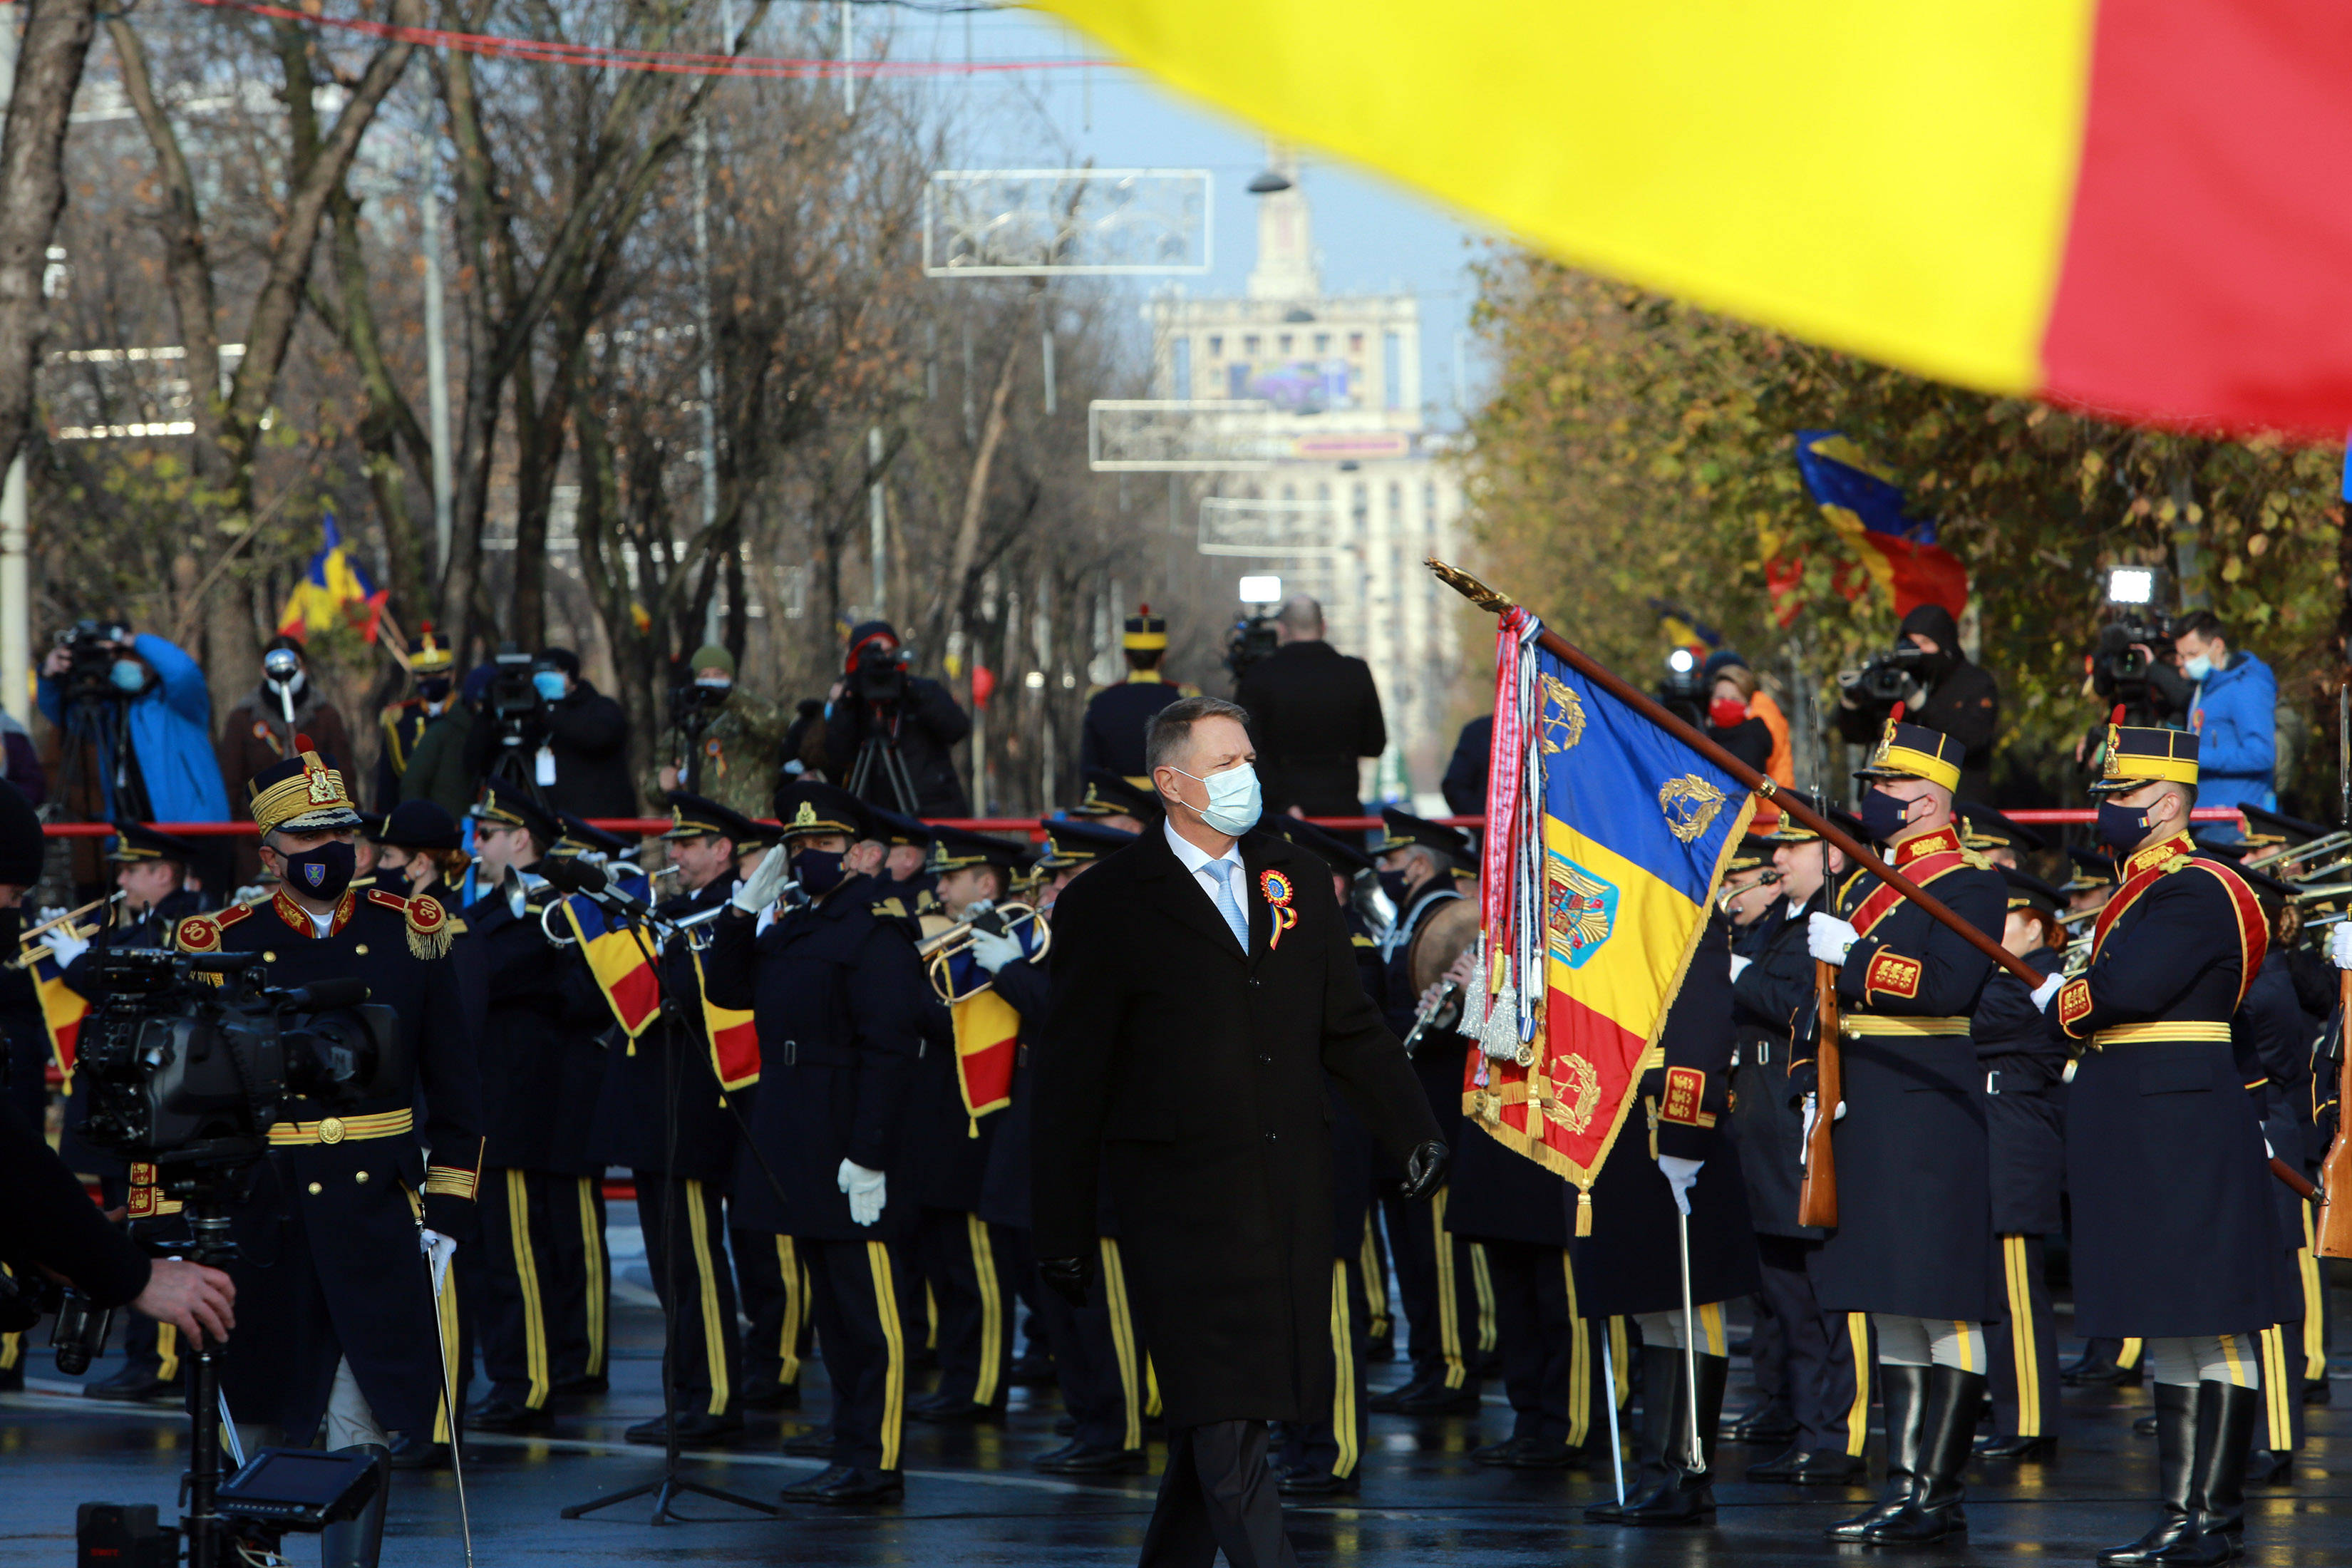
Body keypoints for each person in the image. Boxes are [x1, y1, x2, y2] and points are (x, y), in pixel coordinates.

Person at [1030, 694, 1445, 1568]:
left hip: (1285, 1196)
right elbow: (1071, 1079)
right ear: (1172, 783)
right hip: (1178, 1213)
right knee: (1226, 1431)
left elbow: (1350, 1025)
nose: (1246, 775)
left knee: (1222, 1428)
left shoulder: (1289, 877)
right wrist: (1061, 1227)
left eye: (1248, 757)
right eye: (1225, 764)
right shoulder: (1109, 901)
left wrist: (1412, 1130)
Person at [165, 749, 480, 1554]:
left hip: (375, 1211)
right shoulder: (220, 944)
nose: (330, 849)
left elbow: (462, 1091)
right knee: (265, 1407)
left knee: (362, 1411)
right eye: (308, 838)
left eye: (341, 831)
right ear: (270, 857)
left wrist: (447, 1208)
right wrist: (168, 1214)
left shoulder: (411, 934)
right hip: (265, 1211)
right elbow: (181, 1104)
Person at [2053, 726, 2279, 1566]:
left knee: (2210, 1319)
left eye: (2119, 797)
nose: (2105, 811)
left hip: (2183, 1122)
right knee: (2172, 1323)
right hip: (2143, 1123)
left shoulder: (2194, 888)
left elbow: (2127, 988)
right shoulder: (2138, 889)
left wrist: (2064, 999)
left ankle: (2214, 1515)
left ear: (2166, 803)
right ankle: (2181, 1506)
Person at [702, 779, 931, 1507]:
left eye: (823, 845)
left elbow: (891, 1049)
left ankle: (878, 1457)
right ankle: (849, 1447)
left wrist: (870, 1153)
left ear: (864, 853)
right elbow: (730, 990)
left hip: (848, 1136)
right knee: (834, 1316)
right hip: (795, 1133)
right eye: (797, 845)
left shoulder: (876, 929)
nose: (806, 857)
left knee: (869, 1316)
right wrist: (741, 912)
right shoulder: (796, 924)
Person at [1805, 720, 2004, 1544]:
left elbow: (1948, 985)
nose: (1872, 800)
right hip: (1871, 1101)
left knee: (1940, 1300)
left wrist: (1851, 960)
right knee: (1891, 1303)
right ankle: (1905, 1484)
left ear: (1926, 801)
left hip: (1928, 1104)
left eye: (1887, 789)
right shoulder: (1866, 883)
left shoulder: (1968, 882)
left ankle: (1939, 1489)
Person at [970, 816, 1145, 1475]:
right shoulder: (1066, 935)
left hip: (1099, 1149)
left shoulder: (1123, 935)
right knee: (1061, 1300)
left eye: (1066, 875)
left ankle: (1121, 1427)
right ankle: (1088, 1421)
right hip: (1048, 1136)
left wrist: (1010, 970)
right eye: (1052, 876)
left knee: (1104, 1307)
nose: (1051, 888)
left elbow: (1073, 1021)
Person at [41, 823, 217, 1405]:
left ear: (161, 874)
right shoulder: (142, 923)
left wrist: (82, 966)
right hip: (127, 1106)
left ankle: (162, 1360)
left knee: (160, 1227)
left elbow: (149, 985)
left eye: (131, 870)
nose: (119, 880)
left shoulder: (185, 923)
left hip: (158, 1107)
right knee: (134, 1225)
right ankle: (146, 1357)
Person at [455, 783, 609, 1435]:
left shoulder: (549, 906)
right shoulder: (496, 904)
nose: (476, 845)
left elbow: (490, 969)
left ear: (522, 840)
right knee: (498, 1249)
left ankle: (537, 1379)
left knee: (526, 1250)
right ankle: (522, 1373)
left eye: (487, 834)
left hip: (532, 1100)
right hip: (500, 1095)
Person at [1733, 805, 1869, 1486]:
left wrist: (1738, 976)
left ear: (1834, 857)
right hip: (1763, 1122)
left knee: (1823, 1295)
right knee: (1784, 1292)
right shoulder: (1779, 923)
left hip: (1804, 1119)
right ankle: (1804, 1422)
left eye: (1793, 846)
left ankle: (1837, 1434)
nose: (1777, 859)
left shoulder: (1836, 922)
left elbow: (1809, 1006)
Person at [902, 823, 1039, 1425]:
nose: (939, 885)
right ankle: (960, 1378)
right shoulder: (941, 935)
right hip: (938, 1115)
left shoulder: (1014, 936)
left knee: (979, 1266)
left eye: (951, 876)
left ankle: (981, 1385)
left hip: (980, 1117)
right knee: (947, 1261)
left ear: (986, 882)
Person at [1368, 805, 1484, 1417]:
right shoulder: (1412, 916)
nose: (1383, 869)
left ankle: (1453, 1366)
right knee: (1413, 1251)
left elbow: (1439, 1019)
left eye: (1390, 860)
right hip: (1408, 1103)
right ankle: (1429, 1363)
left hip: (1434, 1104)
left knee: (1437, 1251)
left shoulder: (1447, 916)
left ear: (1416, 864)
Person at [1971, 868, 2069, 1464]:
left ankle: (2031, 1417)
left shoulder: (2037, 981)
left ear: (2035, 926)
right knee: (1992, 1291)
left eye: (2005, 918)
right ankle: (2007, 1407)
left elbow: (1973, 1023)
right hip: (1991, 1137)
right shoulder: (2002, 977)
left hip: (2013, 1142)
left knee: (2016, 1294)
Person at [38, 620, 229, 831]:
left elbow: (182, 671)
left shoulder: (178, 702)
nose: (117, 663)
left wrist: (129, 640)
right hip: (133, 832)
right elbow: (62, 715)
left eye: (122, 654)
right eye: (108, 657)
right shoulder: (108, 711)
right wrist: (49, 675)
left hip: (194, 827)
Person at [1232, 595, 1386, 817]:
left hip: (1284, 817)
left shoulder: (1259, 676)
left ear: (1282, 630)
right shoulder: (1356, 673)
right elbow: (1375, 745)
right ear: (1323, 626)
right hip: (1343, 811)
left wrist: (1282, 802)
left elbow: (1247, 749)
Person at [1835, 603, 2000, 803]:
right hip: (1901, 807)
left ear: (1945, 644)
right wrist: (1853, 701)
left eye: (1925, 642)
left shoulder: (1975, 683)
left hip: (1958, 807)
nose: (1917, 652)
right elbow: (1858, 734)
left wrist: (1921, 703)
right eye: (1910, 644)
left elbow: (1973, 738)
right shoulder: (1899, 683)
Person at [820, 621, 973, 817]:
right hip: (875, 815)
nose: (881, 660)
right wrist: (849, 703)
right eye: (873, 653)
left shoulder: (921, 691)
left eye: (888, 651)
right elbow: (836, 756)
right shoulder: (853, 703)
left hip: (932, 811)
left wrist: (914, 693)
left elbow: (957, 728)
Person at [462, 649, 635, 819]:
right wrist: (488, 712)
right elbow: (477, 762)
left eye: (552, 672)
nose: (542, 678)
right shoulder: (533, 720)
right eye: (538, 672)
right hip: (553, 825)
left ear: (570, 676)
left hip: (602, 825)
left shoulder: (601, 709)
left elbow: (597, 737)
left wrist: (549, 713)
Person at [648, 644, 783, 820]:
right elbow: (653, 792)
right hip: (699, 833)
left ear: (731, 678)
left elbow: (778, 726)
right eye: (704, 676)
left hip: (748, 829)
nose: (711, 682)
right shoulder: (683, 730)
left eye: (719, 675)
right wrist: (661, 786)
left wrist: (732, 697)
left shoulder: (750, 721)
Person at [2175, 610, 2277, 837]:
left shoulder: (2246, 686)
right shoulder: (2205, 689)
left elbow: (2261, 754)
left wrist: (2196, 757)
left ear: (2217, 646)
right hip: (2204, 818)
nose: (2186, 663)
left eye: (2193, 654)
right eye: (2182, 656)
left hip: (2236, 823)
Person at [1081, 605, 1196, 784]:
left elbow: (1090, 766)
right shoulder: (1183, 700)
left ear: (1126, 657)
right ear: (1163, 657)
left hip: (1117, 801)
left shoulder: (1101, 700)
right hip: (1167, 802)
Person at [373, 630, 459, 809]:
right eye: (424, 674)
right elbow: (388, 785)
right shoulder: (399, 720)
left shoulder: (466, 715)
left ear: (452, 674)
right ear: (415, 676)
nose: (431, 679)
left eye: (439, 672)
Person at [401, 661, 485, 820]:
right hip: (447, 829)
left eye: (439, 673)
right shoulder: (444, 733)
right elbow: (413, 783)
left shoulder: (493, 735)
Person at [1703, 663, 1773, 773]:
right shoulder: (1701, 734)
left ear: (1748, 706)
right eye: (1721, 698)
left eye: (1734, 699)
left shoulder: (1753, 738)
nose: (1726, 703)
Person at [1440, 714, 1492, 816]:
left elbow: (1454, 788)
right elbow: (1455, 789)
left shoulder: (1479, 730)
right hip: (1492, 825)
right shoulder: (1479, 732)